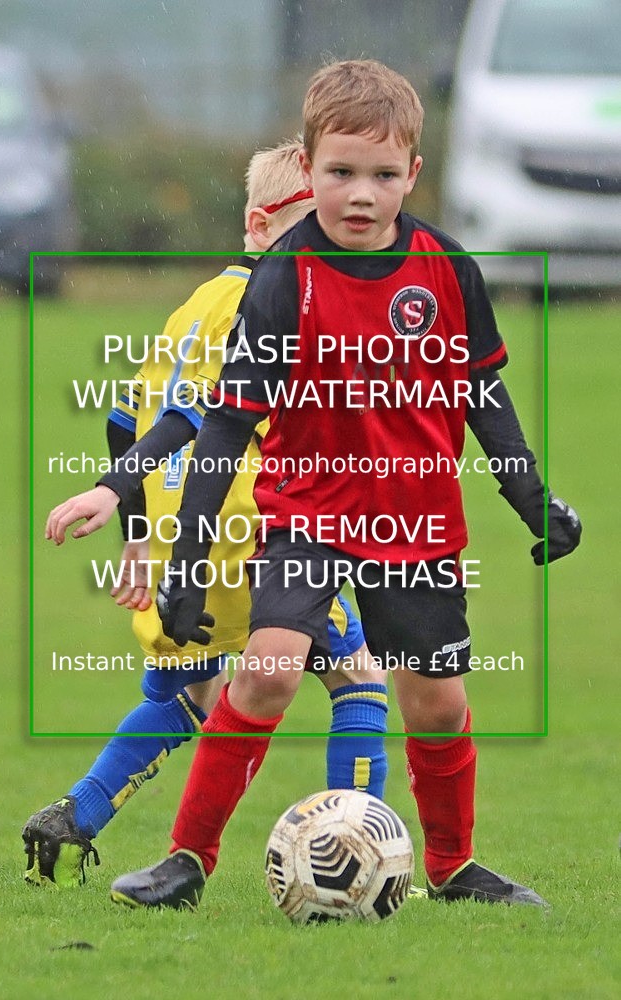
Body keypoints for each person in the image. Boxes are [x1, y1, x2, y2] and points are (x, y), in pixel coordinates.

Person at [110, 59, 581, 911]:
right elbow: (223, 426)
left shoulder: (445, 267)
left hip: (419, 524)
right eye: (339, 173)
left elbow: (484, 393)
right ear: (311, 163)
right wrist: (184, 565)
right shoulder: (285, 278)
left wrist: (530, 497)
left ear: (414, 175)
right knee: (270, 671)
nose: (360, 195)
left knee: (435, 703)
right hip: (310, 513)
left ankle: (453, 868)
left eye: (383, 176)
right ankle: (187, 859)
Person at [22, 139, 390, 890]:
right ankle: (364, 853)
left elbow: (127, 421)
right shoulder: (274, 302)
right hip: (251, 535)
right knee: (359, 683)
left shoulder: (189, 309)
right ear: (259, 225)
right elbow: (201, 423)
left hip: (177, 543)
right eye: (301, 228)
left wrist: (135, 536)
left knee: (186, 697)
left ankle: (77, 816)